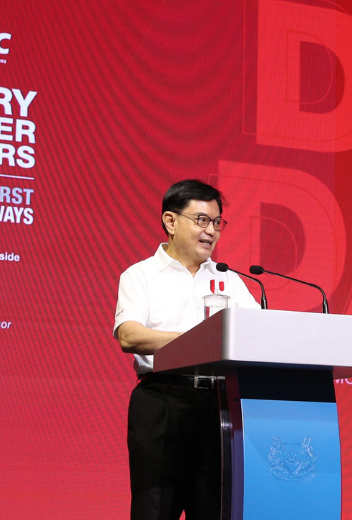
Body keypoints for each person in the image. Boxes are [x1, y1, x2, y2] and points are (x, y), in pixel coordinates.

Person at [113, 179, 259, 520]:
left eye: (217, 222)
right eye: (202, 220)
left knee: (212, 510)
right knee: (155, 510)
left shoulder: (229, 280)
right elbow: (130, 335)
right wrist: (201, 339)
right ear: (171, 221)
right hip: (164, 402)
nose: (211, 231)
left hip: (220, 407)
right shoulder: (141, 275)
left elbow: (257, 333)